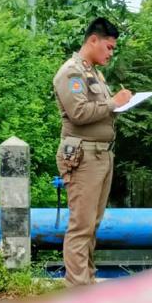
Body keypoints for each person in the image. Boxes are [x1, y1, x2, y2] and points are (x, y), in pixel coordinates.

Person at [54, 17, 132, 286]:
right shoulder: (71, 73)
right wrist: (113, 103)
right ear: (93, 40)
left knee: (92, 225)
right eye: (108, 47)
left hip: (100, 154)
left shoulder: (93, 72)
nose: (110, 53)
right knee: (81, 226)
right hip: (83, 155)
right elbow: (78, 113)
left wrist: (115, 105)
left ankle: (86, 281)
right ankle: (78, 291)